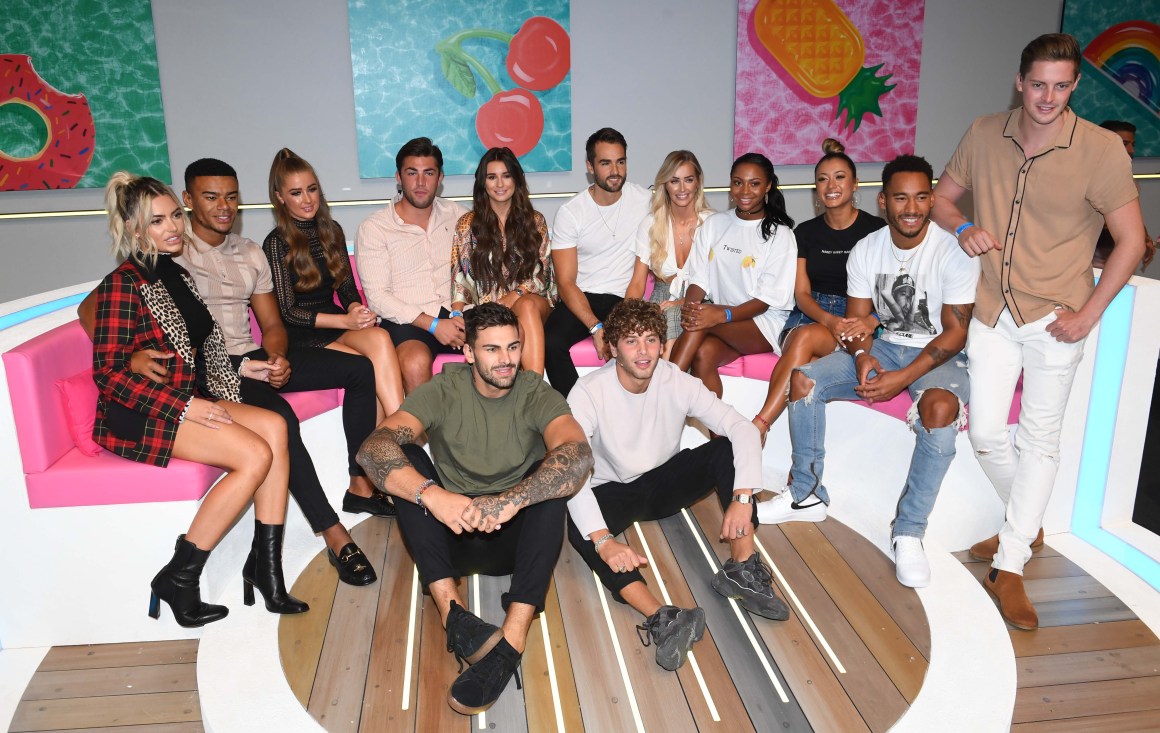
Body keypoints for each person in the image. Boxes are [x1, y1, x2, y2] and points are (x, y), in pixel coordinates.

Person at [78, 159, 384, 586]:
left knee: (357, 370)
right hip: (203, 378)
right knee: (280, 423)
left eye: (231, 197)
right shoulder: (168, 255)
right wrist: (131, 358)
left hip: (239, 361)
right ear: (188, 202)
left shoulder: (237, 253)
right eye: (209, 197)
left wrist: (277, 359)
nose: (224, 206)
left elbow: (274, 324)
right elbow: (97, 315)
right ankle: (331, 535)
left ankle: (354, 489)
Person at [931, 34, 1145, 628]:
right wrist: (965, 226)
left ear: (1073, 87)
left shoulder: (1101, 149)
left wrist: (1090, 312)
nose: (1048, 96)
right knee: (988, 434)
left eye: (1061, 85)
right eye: (1038, 83)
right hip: (993, 312)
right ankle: (1023, 524)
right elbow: (943, 202)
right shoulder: (982, 132)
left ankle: (1013, 562)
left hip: (1058, 319)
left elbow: (1130, 241)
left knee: (1041, 441)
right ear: (1019, 83)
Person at [355, 303, 593, 716]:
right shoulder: (443, 389)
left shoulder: (535, 392)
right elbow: (372, 449)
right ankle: (455, 617)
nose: (506, 360)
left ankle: (511, 641)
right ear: (468, 353)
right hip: (453, 535)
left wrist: (510, 500)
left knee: (551, 478)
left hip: (514, 540)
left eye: (513, 347)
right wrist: (434, 495)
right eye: (492, 350)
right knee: (407, 457)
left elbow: (579, 456)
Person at [93, 173, 307, 627]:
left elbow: (201, 352)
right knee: (254, 454)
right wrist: (185, 405)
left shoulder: (177, 273)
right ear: (134, 230)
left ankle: (266, 569)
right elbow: (107, 374)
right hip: (140, 414)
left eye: (174, 215)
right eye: (157, 221)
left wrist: (246, 368)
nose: (173, 227)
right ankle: (181, 577)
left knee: (276, 426)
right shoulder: (124, 284)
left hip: (185, 397)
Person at [758, 155, 980, 589]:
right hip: (884, 347)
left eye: (920, 197)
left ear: (932, 199)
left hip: (939, 356)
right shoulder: (867, 249)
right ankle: (805, 494)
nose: (911, 207)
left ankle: (909, 531)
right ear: (884, 202)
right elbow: (859, 324)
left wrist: (901, 378)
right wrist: (862, 359)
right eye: (901, 197)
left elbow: (955, 334)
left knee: (938, 410)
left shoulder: (953, 253)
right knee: (804, 378)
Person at [566, 299, 787, 672]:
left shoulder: (676, 380)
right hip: (612, 490)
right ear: (613, 347)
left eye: (651, 340)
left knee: (724, 450)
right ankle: (664, 617)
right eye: (632, 341)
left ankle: (742, 569)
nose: (643, 351)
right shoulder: (587, 393)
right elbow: (574, 476)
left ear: (663, 345)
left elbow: (742, 428)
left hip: (664, 482)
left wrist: (743, 497)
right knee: (578, 527)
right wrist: (604, 542)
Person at [751, 139, 885, 441]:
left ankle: (760, 427)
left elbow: (892, 290)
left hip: (860, 318)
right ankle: (768, 434)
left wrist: (871, 320)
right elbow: (802, 295)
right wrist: (828, 320)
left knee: (806, 370)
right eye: (822, 179)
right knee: (804, 342)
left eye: (839, 177)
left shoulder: (877, 231)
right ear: (816, 190)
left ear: (854, 185)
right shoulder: (806, 232)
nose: (830, 185)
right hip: (813, 316)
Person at [264, 148, 404, 423]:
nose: (307, 199)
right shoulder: (276, 242)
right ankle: (399, 437)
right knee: (366, 367)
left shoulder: (332, 229)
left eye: (312, 189)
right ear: (280, 198)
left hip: (336, 324)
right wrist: (346, 322)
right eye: (296, 193)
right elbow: (288, 312)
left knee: (379, 337)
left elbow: (347, 287)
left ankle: (398, 427)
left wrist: (356, 309)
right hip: (300, 335)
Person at [669, 153, 797, 397]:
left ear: (768, 185)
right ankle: (720, 435)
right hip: (720, 319)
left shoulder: (781, 235)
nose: (744, 190)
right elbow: (698, 278)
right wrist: (692, 309)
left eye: (754, 183)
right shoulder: (715, 224)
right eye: (738, 182)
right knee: (704, 354)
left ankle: (662, 392)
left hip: (763, 323)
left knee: (699, 327)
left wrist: (721, 314)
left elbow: (766, 301)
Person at [355, 137, 468, 392]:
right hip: (407, 320)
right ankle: (427, 433)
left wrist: (459, 315)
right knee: (415, 362)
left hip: (460, 311)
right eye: (411, 173)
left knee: (502, 340)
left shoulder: (460, 216)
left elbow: (476, 274)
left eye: (428, 173)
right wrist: (434, 324)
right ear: (398, 177)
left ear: (440, 178)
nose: (420, 183)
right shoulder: (374, 228)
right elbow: (378, 298)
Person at [544, 127, 651, 395]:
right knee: (551, 342)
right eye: (605, 163)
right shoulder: (572, 212)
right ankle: (577, 414)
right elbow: (566, 282)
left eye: (620, 161)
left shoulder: (646, 201)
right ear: (590, 167)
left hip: (623, 298)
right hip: (582, 298)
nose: (615, 170)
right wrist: (596, 327)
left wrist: (622, 320)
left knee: (635, 347)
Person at [450, 147, 555, 373]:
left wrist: (513, 297)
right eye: (492, 177)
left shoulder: (535, 221)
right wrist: (457, 312)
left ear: (517, 179)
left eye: (506, 175)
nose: (500, 184)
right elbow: (461, 276)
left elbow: (542, 274)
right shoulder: (467, 224)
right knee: (515, 329)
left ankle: (534, 389)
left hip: (533, 302)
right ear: (483, 183)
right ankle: (524, 394)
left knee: (525, 306)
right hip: (489, 309)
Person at [624, 150, 714, 360]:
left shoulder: (712, 224)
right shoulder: (651, 224)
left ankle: (665, 386)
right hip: (661, 299)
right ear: (665, 184)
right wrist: (625, 319)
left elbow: (716, 282)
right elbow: (637, 283)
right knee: (653, 320)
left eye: (688, 180)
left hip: (702, 300)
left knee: (674, 314)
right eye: (674, 181)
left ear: (698, 182)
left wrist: (683, 301)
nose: (682, 189)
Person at [1093, 121, 1155, 271]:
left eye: (1133, 144)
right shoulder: (1087, 179)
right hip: (1085, 266)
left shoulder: (1129, 182)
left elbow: (1127, 218)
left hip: (1114, 265)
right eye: (1125, 144)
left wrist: (1144, 238)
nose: (1131, 150)